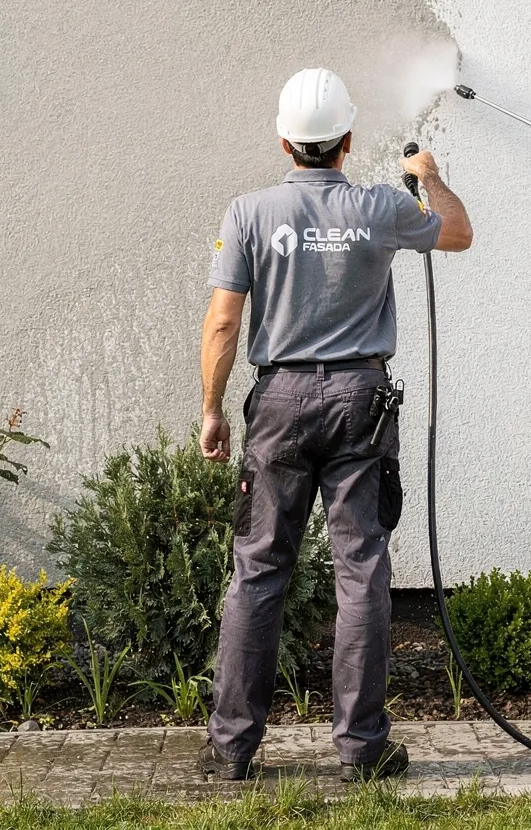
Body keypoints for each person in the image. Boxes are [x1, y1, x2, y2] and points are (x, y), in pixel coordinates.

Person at [197, 67, 473, 782]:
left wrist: (211, 409)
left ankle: (232, 750)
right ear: (347, 140)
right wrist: (429, 175)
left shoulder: (247, 213)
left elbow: (225, 320)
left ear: (285, 141)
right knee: (360, 573)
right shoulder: (382, 206)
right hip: (360, 399)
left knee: (257, 571)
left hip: (278, 403)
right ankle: (360, 751)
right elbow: (459, 233)